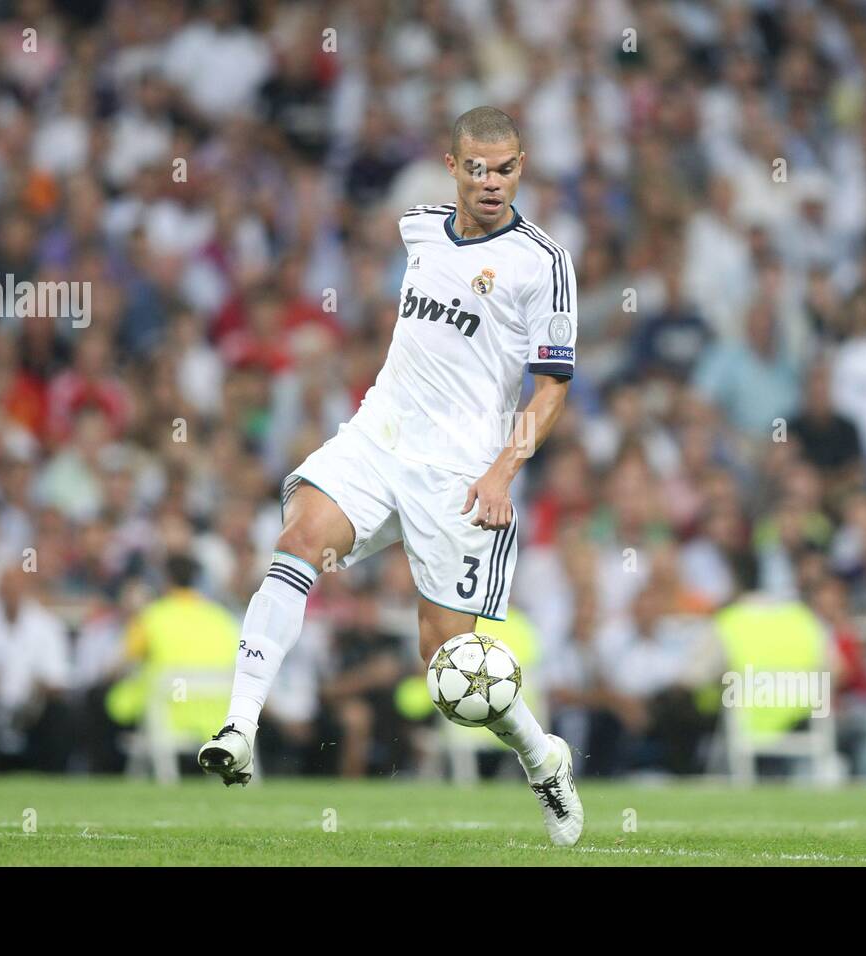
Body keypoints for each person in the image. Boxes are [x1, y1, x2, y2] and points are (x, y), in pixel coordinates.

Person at [198, 107, 583, 845]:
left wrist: (503, 473)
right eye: (477, 168)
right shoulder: (419, 229)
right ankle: (238, 728)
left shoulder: (543, 262)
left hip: (464, 472)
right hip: (378, 437)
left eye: (504, 169)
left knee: (448, 671)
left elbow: (554, 387)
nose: (491, 182)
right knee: (301, 536)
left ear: (521, 168)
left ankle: (542, 758)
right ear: (453, 167)